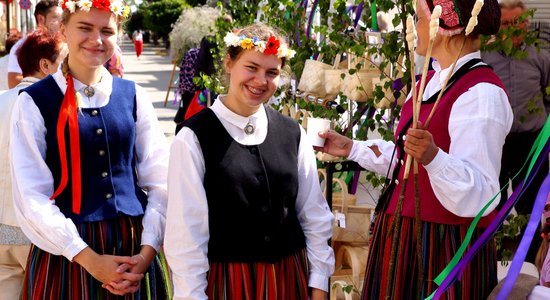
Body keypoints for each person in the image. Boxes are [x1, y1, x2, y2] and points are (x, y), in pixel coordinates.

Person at [317, 0, 512, 299]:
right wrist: (353, 148)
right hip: (402, 234)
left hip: (441, 246)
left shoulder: (480, 93)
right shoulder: (430, 80)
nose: (414, 26)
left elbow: (480, 195)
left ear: (444, 27)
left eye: (419, 18)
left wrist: (433, 158)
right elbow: (407, 161)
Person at [9, 1, 171, 298]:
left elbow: (160, 180)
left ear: (118, 35)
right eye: (85, 27)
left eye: (107, 31)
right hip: (68, 255)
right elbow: (31, 193)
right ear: (63, 30)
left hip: (133, 248)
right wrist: (87, 258)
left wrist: (146, 253)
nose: (96, 39)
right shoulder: (33, 101)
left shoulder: (134, 96)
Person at [164, 23, 334, 300]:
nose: (260, 81)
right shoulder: (193, 138)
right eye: (251, 68)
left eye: (272, 73)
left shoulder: (293, 133)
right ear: (229, 63)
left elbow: (313, 215)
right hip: (228, 283)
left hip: (289, 280)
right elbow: (185, 234)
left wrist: (319, 284)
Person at [482, 0, 550, 263]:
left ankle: (529, 263)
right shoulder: (484, 60)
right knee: (491, 203)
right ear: (496, 27)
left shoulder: (541, 58)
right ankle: (491, 258)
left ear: (526, 23)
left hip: (531, 146)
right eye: (505, 23)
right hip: (495, 144)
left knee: (531, 206)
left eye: (516, 22)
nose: (511, 29)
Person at [0, 27, 66, 300]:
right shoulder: (56, 105)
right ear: (45, 65)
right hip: (37, 227)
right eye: (65, 62)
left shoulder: (1, 100)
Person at [7, 0, 62, 88]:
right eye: (56, 17)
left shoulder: (65, 42)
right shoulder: (22, 46)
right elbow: (13, 81)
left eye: (63, 18)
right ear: (40, 19)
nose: (61, 22)